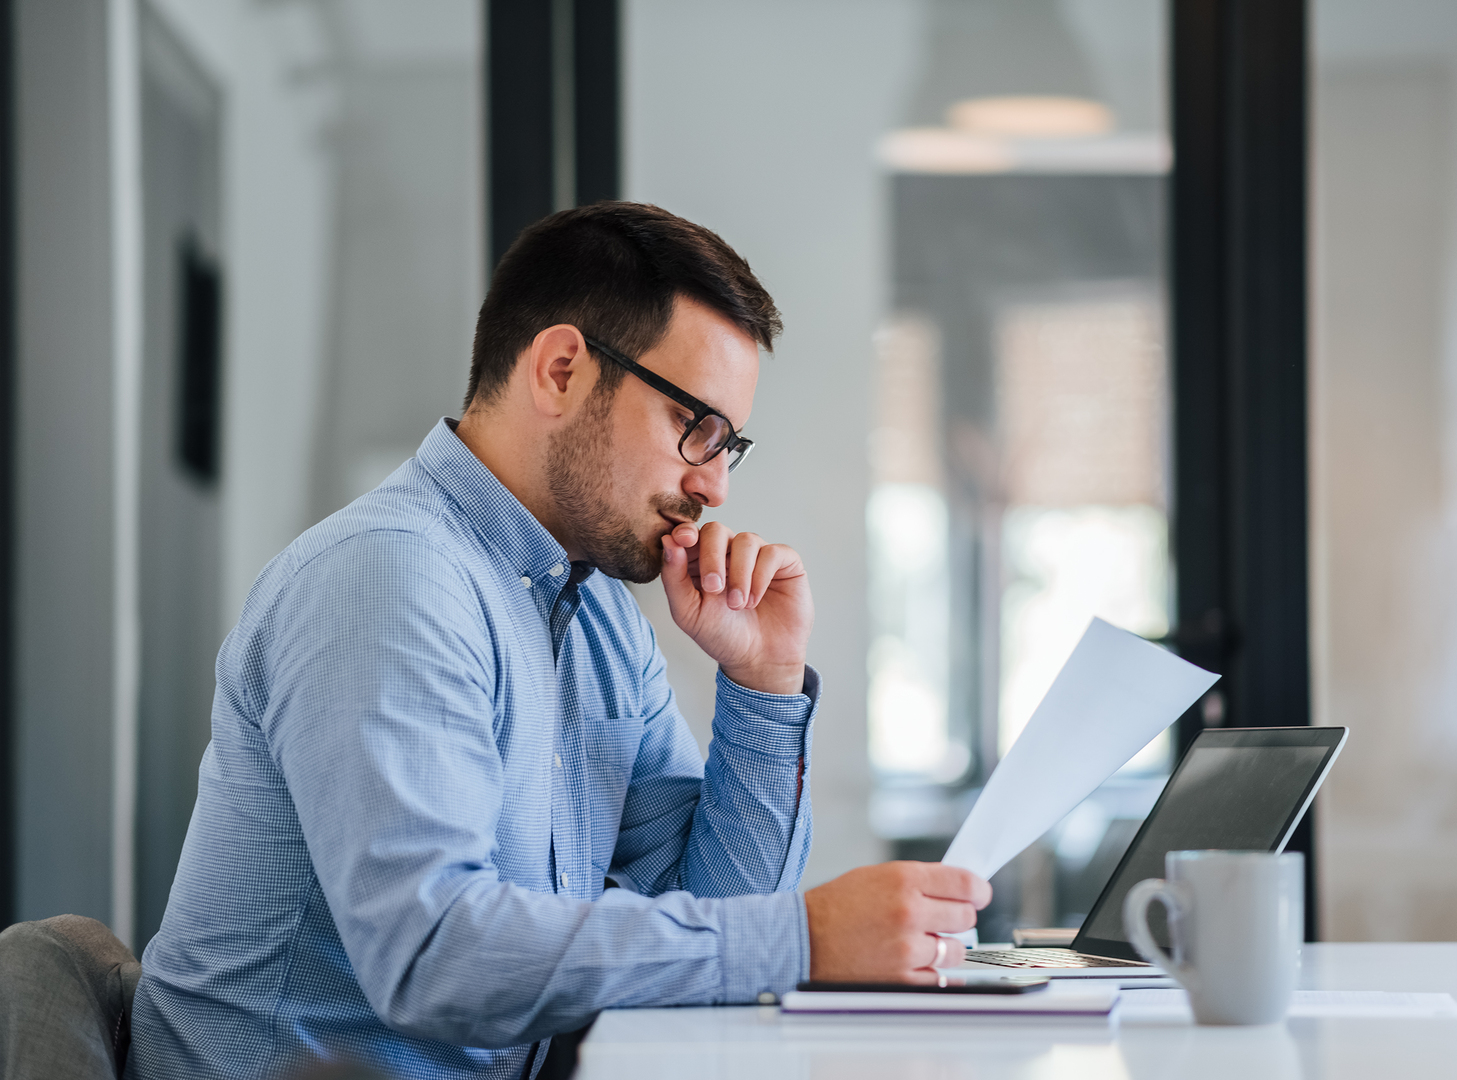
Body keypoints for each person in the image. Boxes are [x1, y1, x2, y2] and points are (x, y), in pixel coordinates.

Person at [128, 203, 991, 1080]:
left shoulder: (601, 614)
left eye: (732, 445)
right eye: (697, 427)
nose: (715, 486)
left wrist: (763, 681)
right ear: (562, 369)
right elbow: (431, 955)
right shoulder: (390, 578)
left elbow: (710, 918)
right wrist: (800, 940)